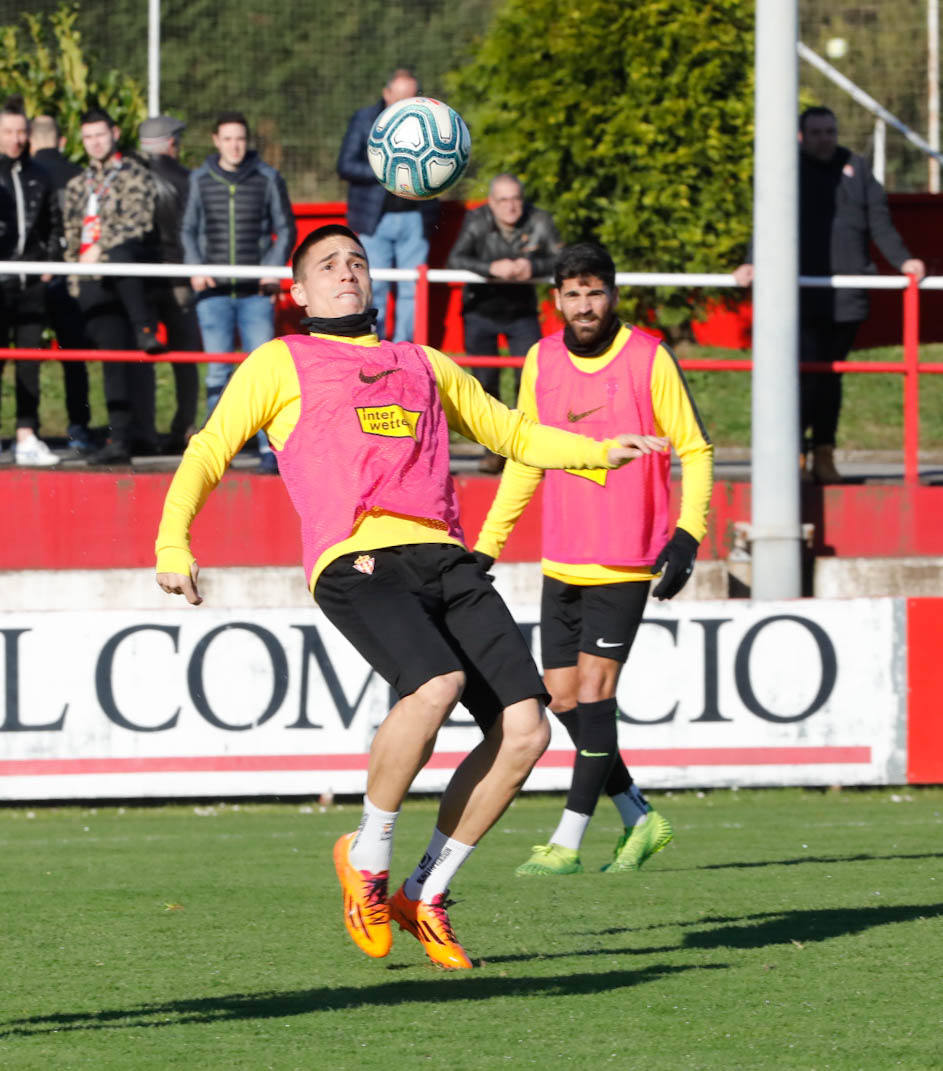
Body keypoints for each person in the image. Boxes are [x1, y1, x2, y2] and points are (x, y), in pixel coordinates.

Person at [154, 224, 666, 969]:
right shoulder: (280, 361)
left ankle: (425, 891)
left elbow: (508, 429)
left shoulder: (421, 362)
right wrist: (174, 541)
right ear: (297, 292)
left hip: (446, 559)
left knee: (527, 731)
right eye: (326, 265)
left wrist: (596, 450)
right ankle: (367, 858)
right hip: (357, 559)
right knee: (435, 682)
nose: (345, 272)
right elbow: (209, 447)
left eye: (356, 262)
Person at [474, 241, 714, 877]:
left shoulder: (648, 357)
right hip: (563, 559)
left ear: (613, 294)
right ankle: (639, 817)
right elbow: (527, 455)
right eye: (572, 294)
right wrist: (487, 545)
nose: (584, 305)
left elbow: (696, 448)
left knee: (596, 690)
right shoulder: (540, 359)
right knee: (560, 697)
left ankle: (568, 842)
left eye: (595, 292)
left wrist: (687, 534)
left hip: (625, 558)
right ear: (556, 299)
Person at [733, 106, 925, 483]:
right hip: (799, 293)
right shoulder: (788, 169)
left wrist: (904, 261)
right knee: (805, 374)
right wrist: (752, 262)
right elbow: (768, 221)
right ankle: (796, 456)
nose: (825, 138)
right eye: (817, 132)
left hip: (847, 294)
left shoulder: (857, 168)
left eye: (830, 131)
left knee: (831, 376)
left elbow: (880, 222)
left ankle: (824, 454)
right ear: (802, 136)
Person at [181, 110, 295, 473]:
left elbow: (285, 227)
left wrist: (271, 272)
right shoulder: (200, 179)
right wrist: (197, 267)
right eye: (228, 138)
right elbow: (188, 229)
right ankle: (215, 452)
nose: (235, 145)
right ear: (216, 141)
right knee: (216, 375)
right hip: (213, 295)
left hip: (254, 296)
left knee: (261, 375)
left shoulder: (267, 177)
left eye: (240, 139)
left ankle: (268, 450)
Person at [63, 107, 161, 464]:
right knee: (112, 359)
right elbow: (72, 235)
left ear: (115, 133)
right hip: (90, 281)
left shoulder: (133, 173)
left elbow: (140, 223)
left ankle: (132, 436)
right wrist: (75, 278)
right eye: (88, 137)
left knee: (129, 356)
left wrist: (102, 251)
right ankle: (118, 438)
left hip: (125, 277)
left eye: (100, 135)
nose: (94, 143)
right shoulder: (77, 184)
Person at [447, 173, 562, 472]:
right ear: (491, 203)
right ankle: (494, 450)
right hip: (480, 311)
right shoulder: (476, 220)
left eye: (516, 199)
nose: (511, 207)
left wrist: (532, 266)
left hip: (521, 312)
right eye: (503, 200)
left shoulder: (539, 220)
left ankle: (531, 451)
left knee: (533, 381)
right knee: (485, 385)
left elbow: (561, 259)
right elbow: (455, 260)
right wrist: (491, 268)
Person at [337, 69, 438, 342]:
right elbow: (345, 166)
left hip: (415, 218)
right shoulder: (365, 119)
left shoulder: (430, 121)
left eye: (413, 96)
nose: (407, 103)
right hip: (374, 221)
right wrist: (387, 172)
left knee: (412, 290)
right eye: (401, 97)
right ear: (387, 94)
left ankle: (407, 351)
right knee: (375, 286)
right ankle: (375, 348)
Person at [0, 98, 64, 466]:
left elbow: (53, 224)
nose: (16, 138)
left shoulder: (40, 173)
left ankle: (27, 434)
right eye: (8, 131)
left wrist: (50, 262)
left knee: (29, 361)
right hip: (1, 282)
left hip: (31, 284)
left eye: (21, 131)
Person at [29, 112, 93, 455]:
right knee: (74, 357)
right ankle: (79, 428)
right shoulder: (79, 176)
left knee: (25, 355)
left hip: (31, 278)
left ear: (30, 140)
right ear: (62, 140)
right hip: (73, 278)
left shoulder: (26, 175)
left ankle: (28, 428)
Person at [138, 114, 200, 453]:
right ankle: (185, 425)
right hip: (178, 274)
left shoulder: (129, 178)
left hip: (142, 277)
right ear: (171, 143)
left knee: (143, 352)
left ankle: (143, 428)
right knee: (186, 355)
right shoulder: (188, 180)